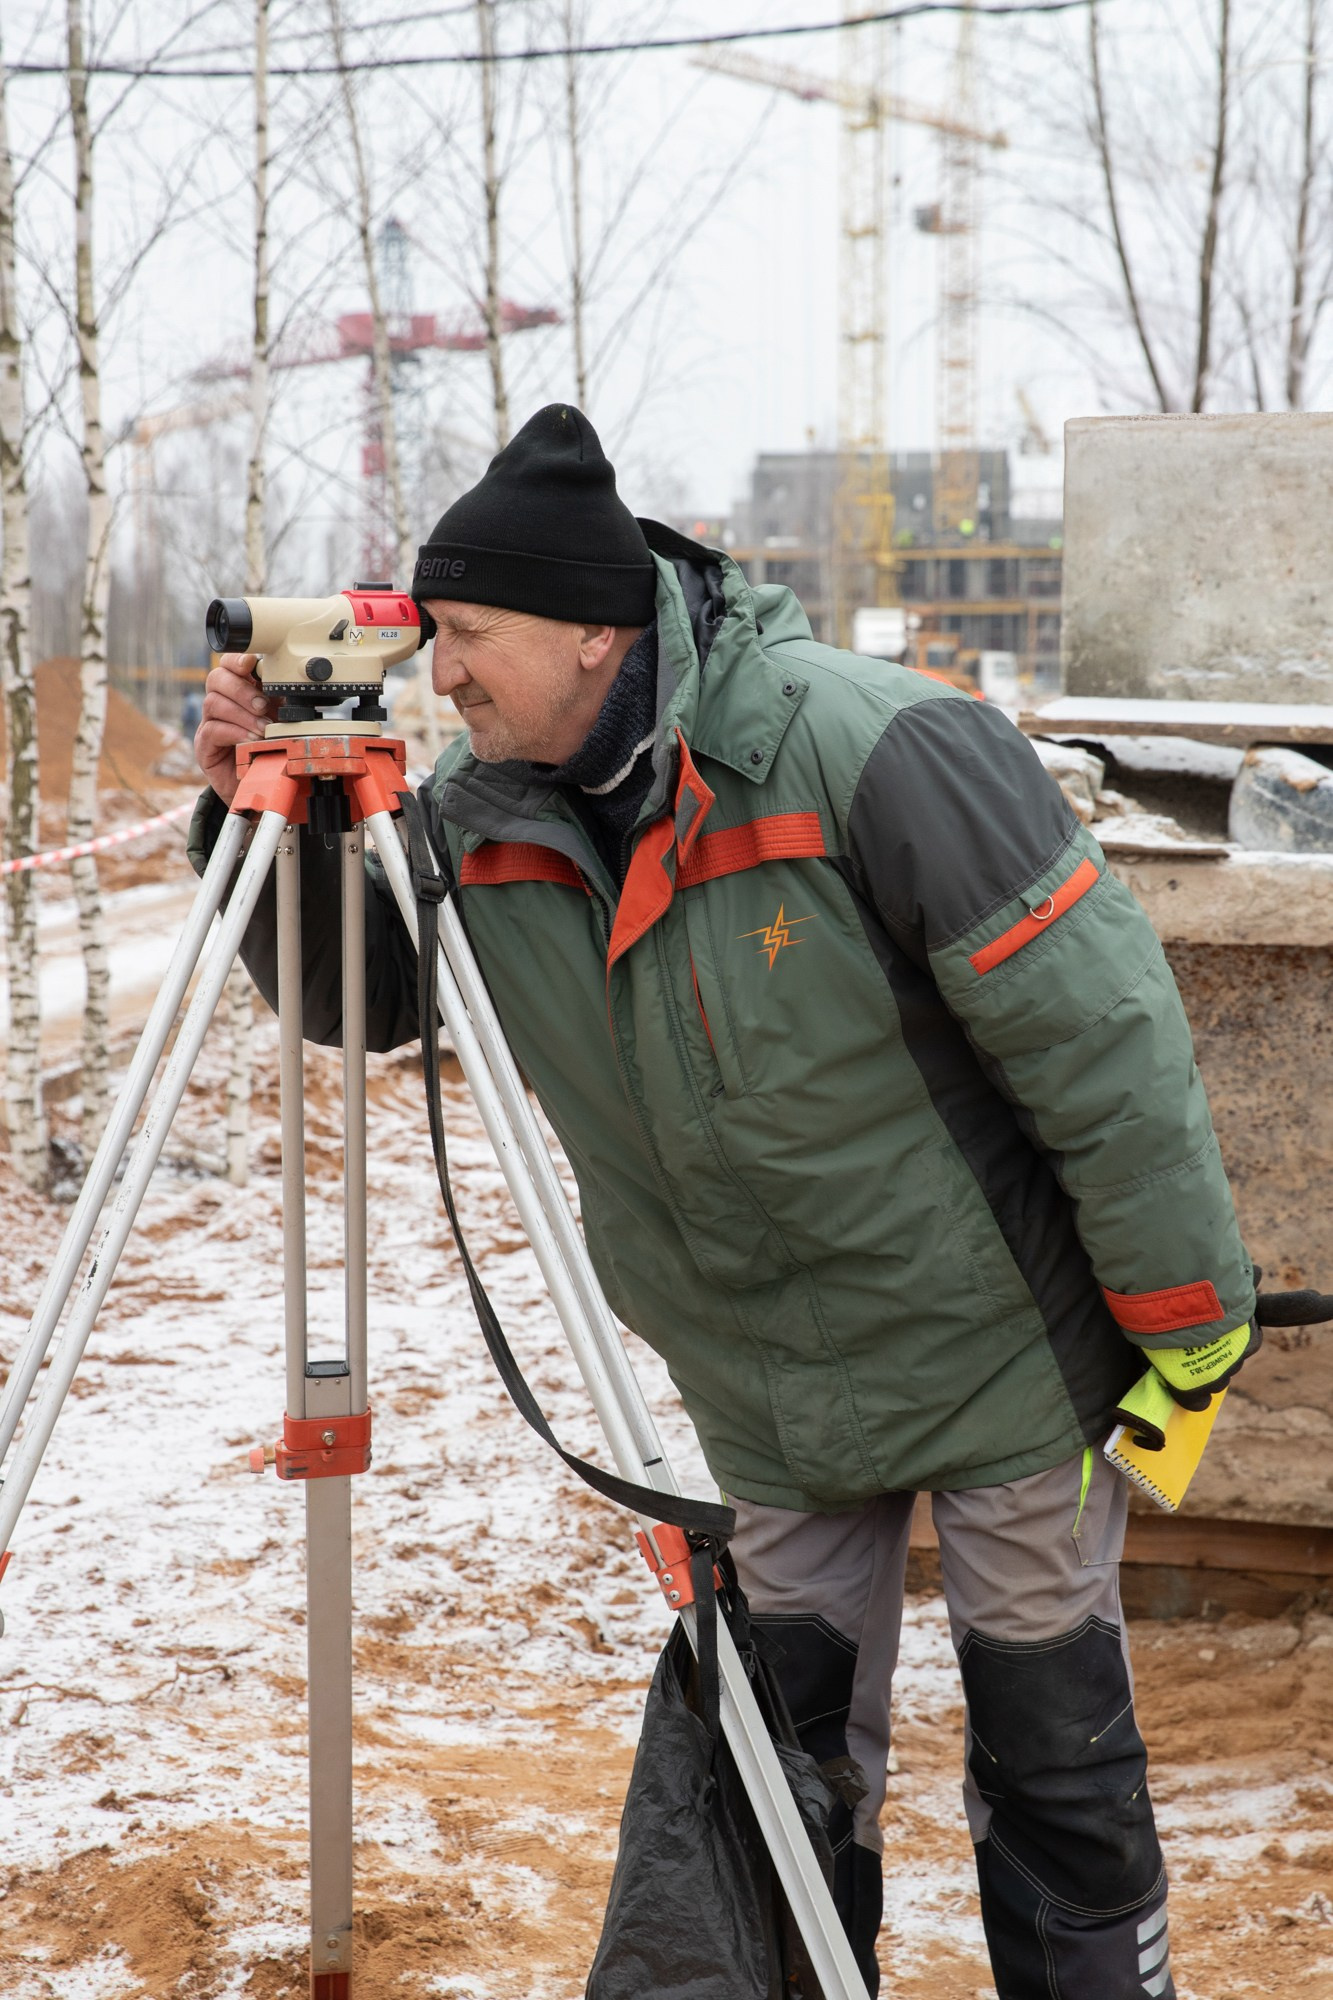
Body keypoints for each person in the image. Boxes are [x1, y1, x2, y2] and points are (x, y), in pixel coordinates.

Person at [192, 404, 1256, 1999]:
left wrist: (1186, 1323)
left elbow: (1099, 1045)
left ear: (591, 631)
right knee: (774, 1777)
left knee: (1049, 1760)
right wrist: (248, 810)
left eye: (472, 636)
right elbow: (365, 995)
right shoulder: (479, 816)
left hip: (996, 1354)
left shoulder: (877, 748)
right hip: (764, 1388)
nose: (451, 674)